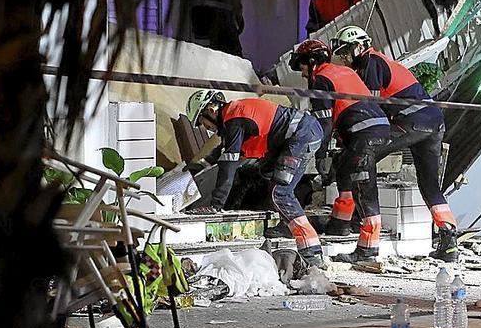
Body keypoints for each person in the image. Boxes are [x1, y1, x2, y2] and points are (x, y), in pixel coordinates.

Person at [331, 25, 459, 262]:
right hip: (432, 122)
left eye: (347, 52)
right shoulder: (377, 62)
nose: (345, 59)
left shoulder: (371, 63)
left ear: (359, 47)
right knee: (429, 184)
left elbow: (370, 109)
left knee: (361, 157)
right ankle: (449, 242)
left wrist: (346, 139)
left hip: (412, 119)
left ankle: (366, 243)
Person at [184, 91, 325, 267]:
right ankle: (287, 225)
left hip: (300, 137)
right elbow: (224, 150)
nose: (205, 128)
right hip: (300, 135)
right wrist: (201, 164)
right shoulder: (235, 115)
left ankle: (312, 252)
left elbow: (228, 165)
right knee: (267, 172)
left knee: (280, 192)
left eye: (201, 122)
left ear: (211, 110)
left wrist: (215, 206)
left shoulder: (234, 119)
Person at [289, 40, 389, 263]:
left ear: (311, 62)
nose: (303, 74)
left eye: (302, 67)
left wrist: (320, 154)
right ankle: (340, 224)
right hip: (374, 127)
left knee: (363, 185)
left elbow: (323, 124)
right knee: (345, 171)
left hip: (363, 132)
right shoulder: (342, 71)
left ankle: (367, 251)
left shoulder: (320, 80)